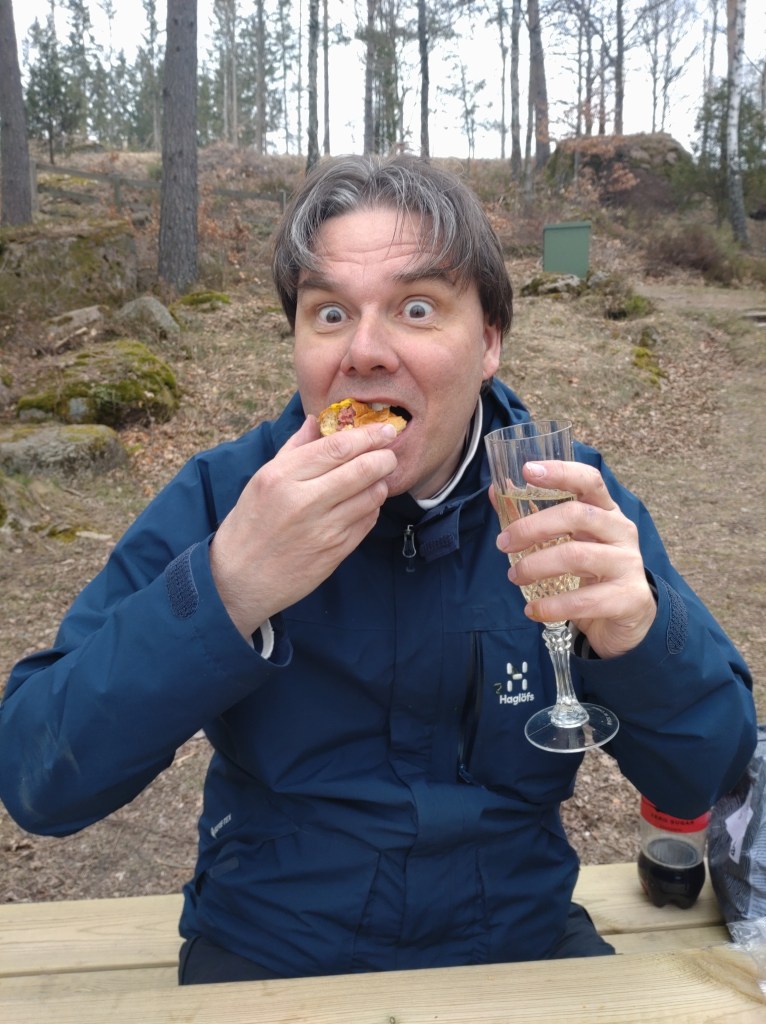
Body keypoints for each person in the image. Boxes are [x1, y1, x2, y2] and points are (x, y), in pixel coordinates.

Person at [0, 155, 756, 984]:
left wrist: (641, 632)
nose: (364, 351)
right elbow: (41, 780)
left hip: (518, 938)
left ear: (489, 341)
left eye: (417, 307)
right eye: (329, 313)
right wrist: (226, 589)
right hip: (269, 947)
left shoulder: (559, 495)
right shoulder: (226, 497)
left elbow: (709, 772)